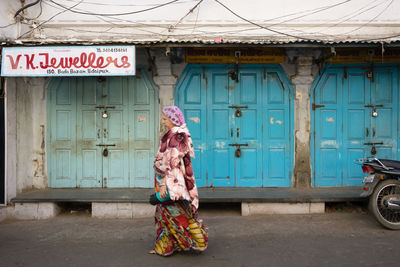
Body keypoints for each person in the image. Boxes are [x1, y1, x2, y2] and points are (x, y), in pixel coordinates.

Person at [149, 105, 208, 256]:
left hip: (170, 181)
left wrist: (163, 184)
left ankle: (199, 239)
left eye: (165, 119)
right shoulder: (177, 133)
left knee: (171, 213)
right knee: (166, 212)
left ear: (172, 119)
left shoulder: (177, 135)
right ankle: (167, 246)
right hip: (171, 180)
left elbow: (172, 163)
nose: (163, 122)